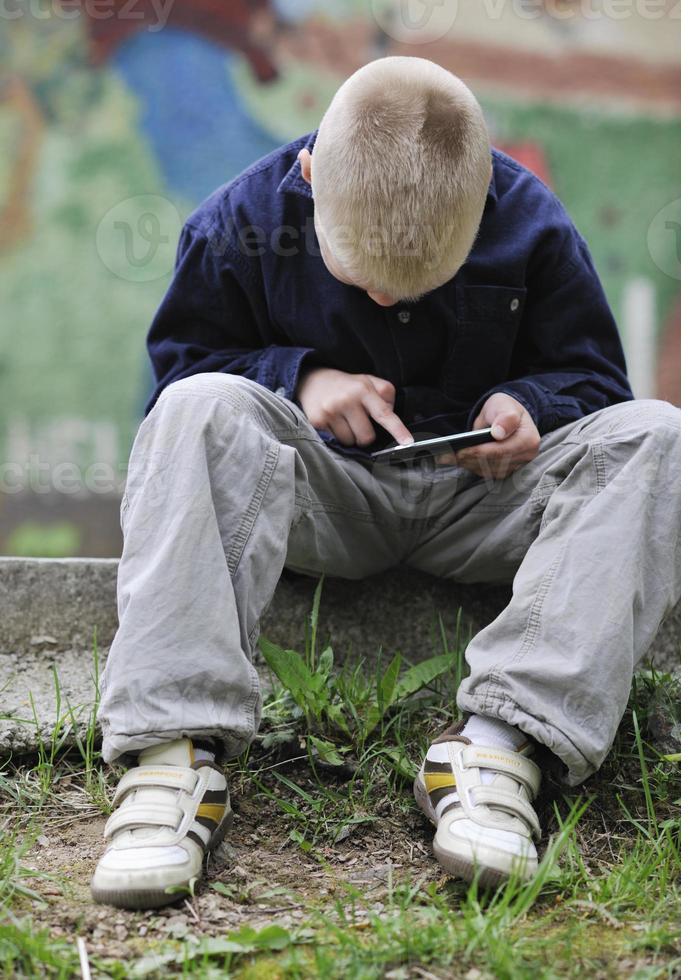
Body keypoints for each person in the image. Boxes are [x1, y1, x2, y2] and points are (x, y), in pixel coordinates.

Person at [91, 56, 681, 907]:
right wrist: (296, 379)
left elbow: (593, 383)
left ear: (482, 202)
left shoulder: (530, 221)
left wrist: (528, 404)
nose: (377, 294)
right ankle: (167, 758)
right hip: (319, 500)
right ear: (307, 176)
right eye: (354, 271)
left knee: (657, 432)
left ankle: (499, 750)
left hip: (481, 506)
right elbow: (178, 388)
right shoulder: (238, 222)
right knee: (200, 407)